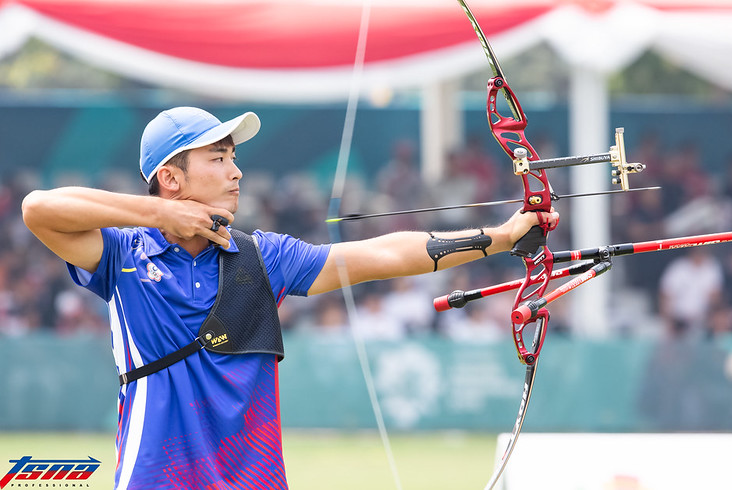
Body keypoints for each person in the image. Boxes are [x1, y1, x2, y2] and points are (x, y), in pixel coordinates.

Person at [20, 107, 559, 490]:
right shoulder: (123, 253)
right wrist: (159, 214)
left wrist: (501, 237)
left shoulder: (262, 256)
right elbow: (39, 208)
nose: (236, 172)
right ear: (170, 177)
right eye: (218, 158)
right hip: (155, 479)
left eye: (233, 157)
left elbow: (383, 255)